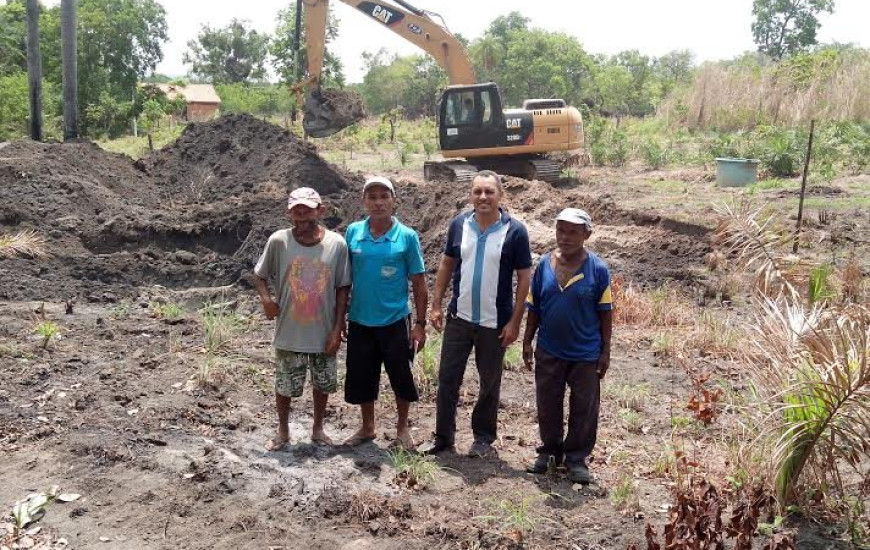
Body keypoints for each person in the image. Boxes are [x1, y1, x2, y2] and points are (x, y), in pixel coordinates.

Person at [422, 170, 532, 457]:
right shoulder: (459, 224)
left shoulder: (516, 231)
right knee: (447, 378)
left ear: (500, 196)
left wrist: (515, 322)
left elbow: (524, 279)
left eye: (489, 192)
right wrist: (436, 304)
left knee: (489, 381)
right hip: (459, 318)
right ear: (470, 195)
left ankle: (483, 438)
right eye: (477, 192)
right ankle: (443, 438)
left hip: (495, 323)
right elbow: (446, 265)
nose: (483, 197)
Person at [253, 187, 351, 451]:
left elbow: (343, 287)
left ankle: (318, 428)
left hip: (323, 330)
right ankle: (283, 430)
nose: (301, 212)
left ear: (321, 210)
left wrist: (338, 327)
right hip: (289, 329)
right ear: (289, 212)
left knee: (323, 382)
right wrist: (266, 300)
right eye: (296, 207)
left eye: (307, 207)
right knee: (284, 383)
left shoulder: (336, 244)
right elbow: (259, 275)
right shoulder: (279, 241)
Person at [522, 208, 613, 484]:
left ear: (587, 234)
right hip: (549, 349)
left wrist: (606, 350)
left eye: (573, 231)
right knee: (547, 403)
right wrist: (527, 340)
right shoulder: (544, 266)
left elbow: (605, 311)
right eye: (561, 230)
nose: (566, 236)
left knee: (584, 407)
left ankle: (576, 459)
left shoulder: (598, 269)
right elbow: (534, 306)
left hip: (585, 352)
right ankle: (549, 452)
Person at [343, 176, 428, 450]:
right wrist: (340, 317)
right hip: (359, 319)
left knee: (400, 375)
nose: (378, 202)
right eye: (372, 197)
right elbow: (344, 279)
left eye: (384, 196)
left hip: (394, 320)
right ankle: (368, 427)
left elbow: (419, 282)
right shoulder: (353, 232)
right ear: (364, 201)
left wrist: (420, 324)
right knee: (362, 375)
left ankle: (403, 429)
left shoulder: (406, 237)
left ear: (394, 201)